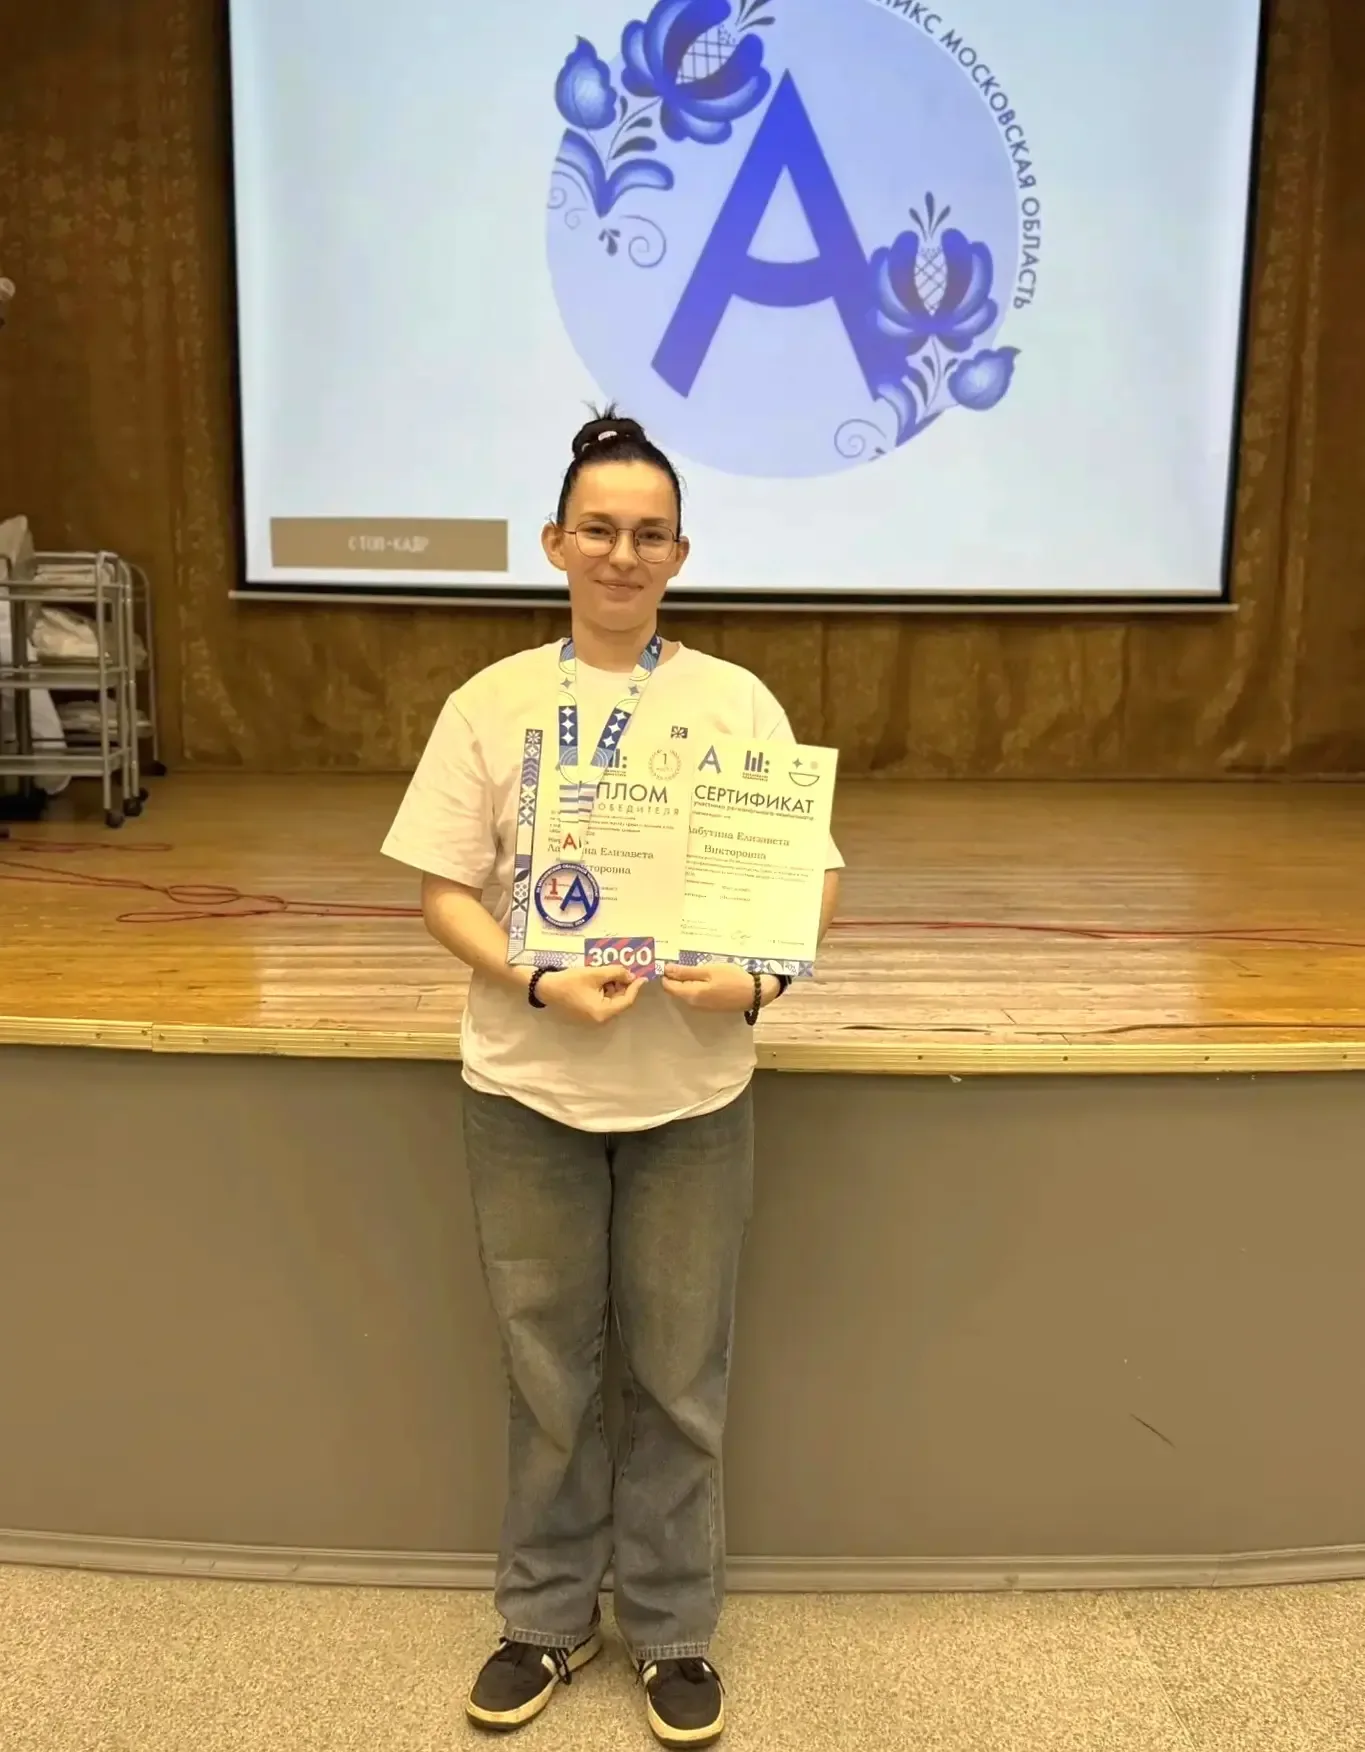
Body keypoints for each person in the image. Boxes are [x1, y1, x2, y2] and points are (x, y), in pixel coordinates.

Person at [382, 410, 842, 1747]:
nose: (622, 554)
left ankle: (672, 1630)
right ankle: (542, 1618)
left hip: (692, 1093)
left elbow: (804, 876)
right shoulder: (491, 704)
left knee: (682, 1378)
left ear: (681, 552)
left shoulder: (736, 701)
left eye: (649, 534)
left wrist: (759, 982)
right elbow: (442, 893)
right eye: (599, 529)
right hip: (525, 1087)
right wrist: (535, 980)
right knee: (548, 1374)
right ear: (554, 542)